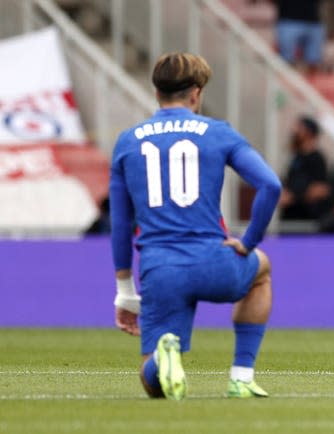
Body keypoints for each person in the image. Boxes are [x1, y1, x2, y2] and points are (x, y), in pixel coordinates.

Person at [109, 52, 282, 400]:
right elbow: (270, 185)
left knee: (152, 385)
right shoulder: (218, 132)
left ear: (156, 93)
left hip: (160, 269)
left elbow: (120, 222)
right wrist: (248, 242)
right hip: (215, 260)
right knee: (261, 271)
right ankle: (242, 376)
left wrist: (125, 291)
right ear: (197, 93)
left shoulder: (128, 141)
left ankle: (164, 358)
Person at [279, 115, 331, 223]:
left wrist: (294, 198)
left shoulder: (317, 158)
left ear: (309, 132)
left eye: (299, 127)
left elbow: (321, 189)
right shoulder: (296, 157)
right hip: (290, 218)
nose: (295, 131)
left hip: (308, 219)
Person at [270, 0, 326, 73]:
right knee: (285, 61)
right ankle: (287, 82)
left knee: (314, 62)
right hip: (288, 21)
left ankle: (311, 82)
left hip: (313, 22)